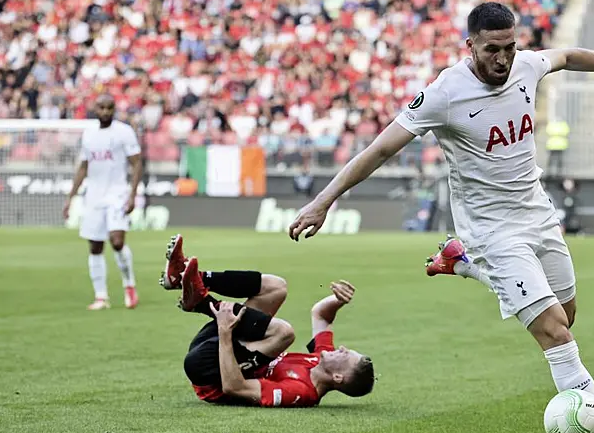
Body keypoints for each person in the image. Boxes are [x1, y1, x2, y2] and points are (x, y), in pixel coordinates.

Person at [289, 2, 594, 433]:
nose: (504, 59)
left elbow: (569, 55)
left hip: (537, 215)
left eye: (510, 47)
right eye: (493, 49)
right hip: (492, 232)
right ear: (470, 45)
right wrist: (324, 199)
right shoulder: (444, 93)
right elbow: (381, 148)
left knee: (566, 316)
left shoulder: (527, 65)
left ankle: (461, 263)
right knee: (554, 331)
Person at [160, 234, 375, 407]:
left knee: (284, 333)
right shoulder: (318, 358)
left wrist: (225, 333)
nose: (343, 348)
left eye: (347, 355)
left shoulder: (301, 391)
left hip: (208, 371)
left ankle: (202, 302)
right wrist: (338, 300)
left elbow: (235, 388)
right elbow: (321, 315)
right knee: (276, 287)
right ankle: (185, 279)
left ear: (338, 377)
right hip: (222, 344)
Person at [64, 94, 142, 310]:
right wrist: (71, 196)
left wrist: (132, 194)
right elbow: (83, 167)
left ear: (114, 109)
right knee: (95, 246)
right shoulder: (89, 134)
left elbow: (136, 163)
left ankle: (129, 285)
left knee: (117, 241)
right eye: (102, 108)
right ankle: (101, 297)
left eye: (110, 108)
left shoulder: (124, 132)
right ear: (95, 108)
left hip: (117, 194)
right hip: (94, 196)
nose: (106, 112)